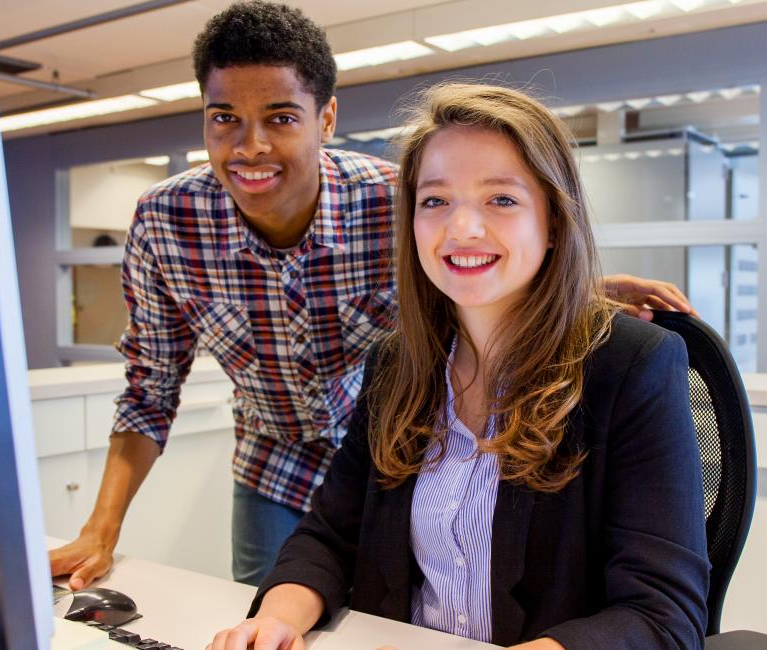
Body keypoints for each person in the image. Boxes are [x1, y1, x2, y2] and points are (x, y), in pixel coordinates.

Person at [48, 0, 696, 590]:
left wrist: (586, 286)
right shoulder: (167, 222)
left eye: (280, 117)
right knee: (272, 612)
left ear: (325, 117)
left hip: (398, 463)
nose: (250, 147)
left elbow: (478, 270)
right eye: (225, 120)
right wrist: (101, 529)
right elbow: (148, 390)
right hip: (272, 466)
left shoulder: (397, 201)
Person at [208, 83, 709, 650]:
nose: (462, 228)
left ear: (553, 222)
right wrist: (276, 620)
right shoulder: (398, 365)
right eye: (435, 200)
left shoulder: (631, 366)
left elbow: (661, 615)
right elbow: (329, 535)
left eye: (501, 199)